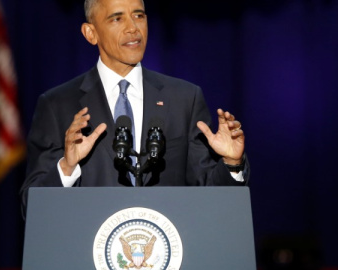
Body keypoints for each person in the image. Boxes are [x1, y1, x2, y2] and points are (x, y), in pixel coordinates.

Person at [20, 0, 250, 214]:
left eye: (139, 15)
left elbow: (210, 196)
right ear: (91, 33)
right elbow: (30, 206)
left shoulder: (184, 99)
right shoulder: (57, 105)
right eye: (117, 19)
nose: (133, 28)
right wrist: (67, 167)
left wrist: (231, 163)